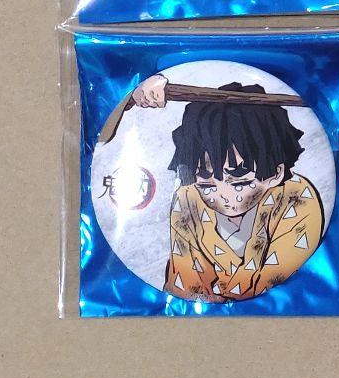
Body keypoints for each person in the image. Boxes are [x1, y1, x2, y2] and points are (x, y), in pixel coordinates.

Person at [131, 75, 323, 302]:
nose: (224, 195)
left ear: (276, 173)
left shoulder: (297, 197)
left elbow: (281, 284)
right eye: (206, 184)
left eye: (240, 183)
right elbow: (186, 285)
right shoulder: (189, 198)